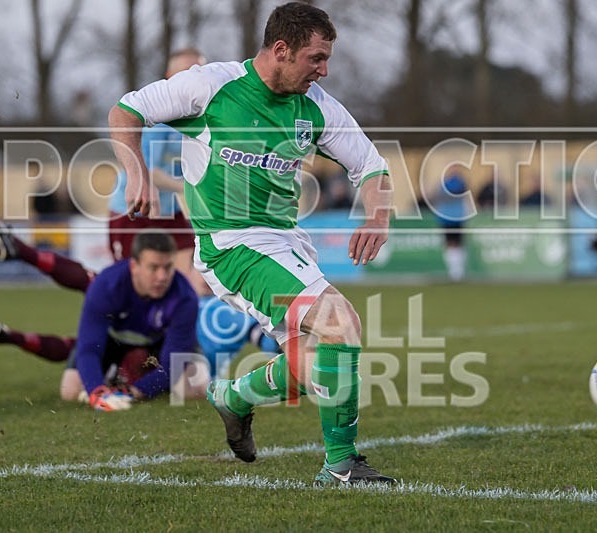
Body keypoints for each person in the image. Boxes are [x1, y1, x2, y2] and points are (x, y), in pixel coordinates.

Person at [109, 2, 395, 486]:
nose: (323, 70)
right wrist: (136, 172)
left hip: (286, 242)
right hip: (231, 244)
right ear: (281, 50)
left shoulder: (317, 105)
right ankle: (342, 465)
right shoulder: (210, 85)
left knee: (313, 365)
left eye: (326, 60)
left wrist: (379, 215)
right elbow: (125, 111)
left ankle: (234, 396)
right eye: (316, 58)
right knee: (340, 321)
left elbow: (370, 165)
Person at [0, 214, 279, 393]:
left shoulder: (190, 298)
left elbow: (169, 365)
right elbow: (90, 346)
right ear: (135, 266)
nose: (164, 276)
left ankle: (18, 272)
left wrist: (132, 394)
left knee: (193, 388)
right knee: (72, 388)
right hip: (118, 336)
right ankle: (18, 262)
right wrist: (97, 393)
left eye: (170, 267)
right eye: (154, 268)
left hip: (159, 350)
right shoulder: (112, 283)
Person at [107, 47, 211, 297]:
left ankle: (195, 331)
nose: (192, 77)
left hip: (167, 211)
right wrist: (189, 186)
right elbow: (148, 173)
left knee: (195, 278)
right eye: (186, 71)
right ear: (169, 76)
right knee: (134, 287)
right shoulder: (159, 117)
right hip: (133, 210)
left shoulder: (199, 118)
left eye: (198, 71)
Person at [433, 170, 468, 281]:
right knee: (455, 245)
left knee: (452, 244)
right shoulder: (460, 183)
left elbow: (436, 198)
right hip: (454, 218)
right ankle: (456, 272)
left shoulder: (443, 185)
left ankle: (456, 272)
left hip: (448, 218)